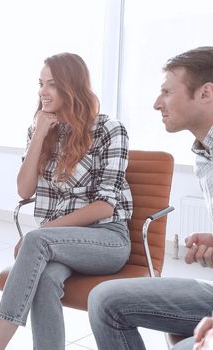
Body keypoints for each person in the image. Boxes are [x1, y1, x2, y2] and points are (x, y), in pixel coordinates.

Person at [0, 52, 133, 350]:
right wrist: (38, 136)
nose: (43, 91)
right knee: (46, 280)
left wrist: (45, 232)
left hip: (107, 239)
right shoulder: (42, 131)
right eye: (41, 83)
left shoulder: (108, 130)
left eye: (52, 84)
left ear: (72, 87)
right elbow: (24, 191)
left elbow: (105, 205)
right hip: (60, 243)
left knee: (37, 240)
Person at [88, 46, 213, 350]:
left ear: (206, 93)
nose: (158, 104)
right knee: (104, 299)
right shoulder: (203, 153)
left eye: (167, 92)